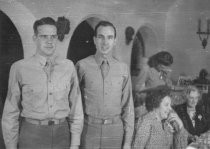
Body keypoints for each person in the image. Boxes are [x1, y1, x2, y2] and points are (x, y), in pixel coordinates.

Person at [2, 17, 84, 149]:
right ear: (35, 38)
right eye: (44, 36)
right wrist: (11, 146)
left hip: (62, 134)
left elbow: (76, 108)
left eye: (53, 36)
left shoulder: (68, 66)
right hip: (32, 135)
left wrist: (75, 143)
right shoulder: (19, 68)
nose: (49, 41)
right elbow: (11, 113)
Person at [76, 21, 134, 149]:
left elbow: (128, 107)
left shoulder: (123, 68)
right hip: (89, 131)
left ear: (115, 41)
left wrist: (127, 142)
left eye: (110, 37)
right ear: (94, 40)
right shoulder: (82, 66)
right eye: (101, 37)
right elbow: (74, 104)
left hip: (115, 132)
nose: (105, 42)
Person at [132, 51, 174, 122]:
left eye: (166, 66)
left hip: (160, 106)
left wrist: (167, 82)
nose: (163, 68)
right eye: (161, 66)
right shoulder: (147, 70)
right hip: (149, 107)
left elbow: (162, 82)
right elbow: (136, 88)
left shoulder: (162, 71)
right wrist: (155, 89)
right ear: (157, 62)